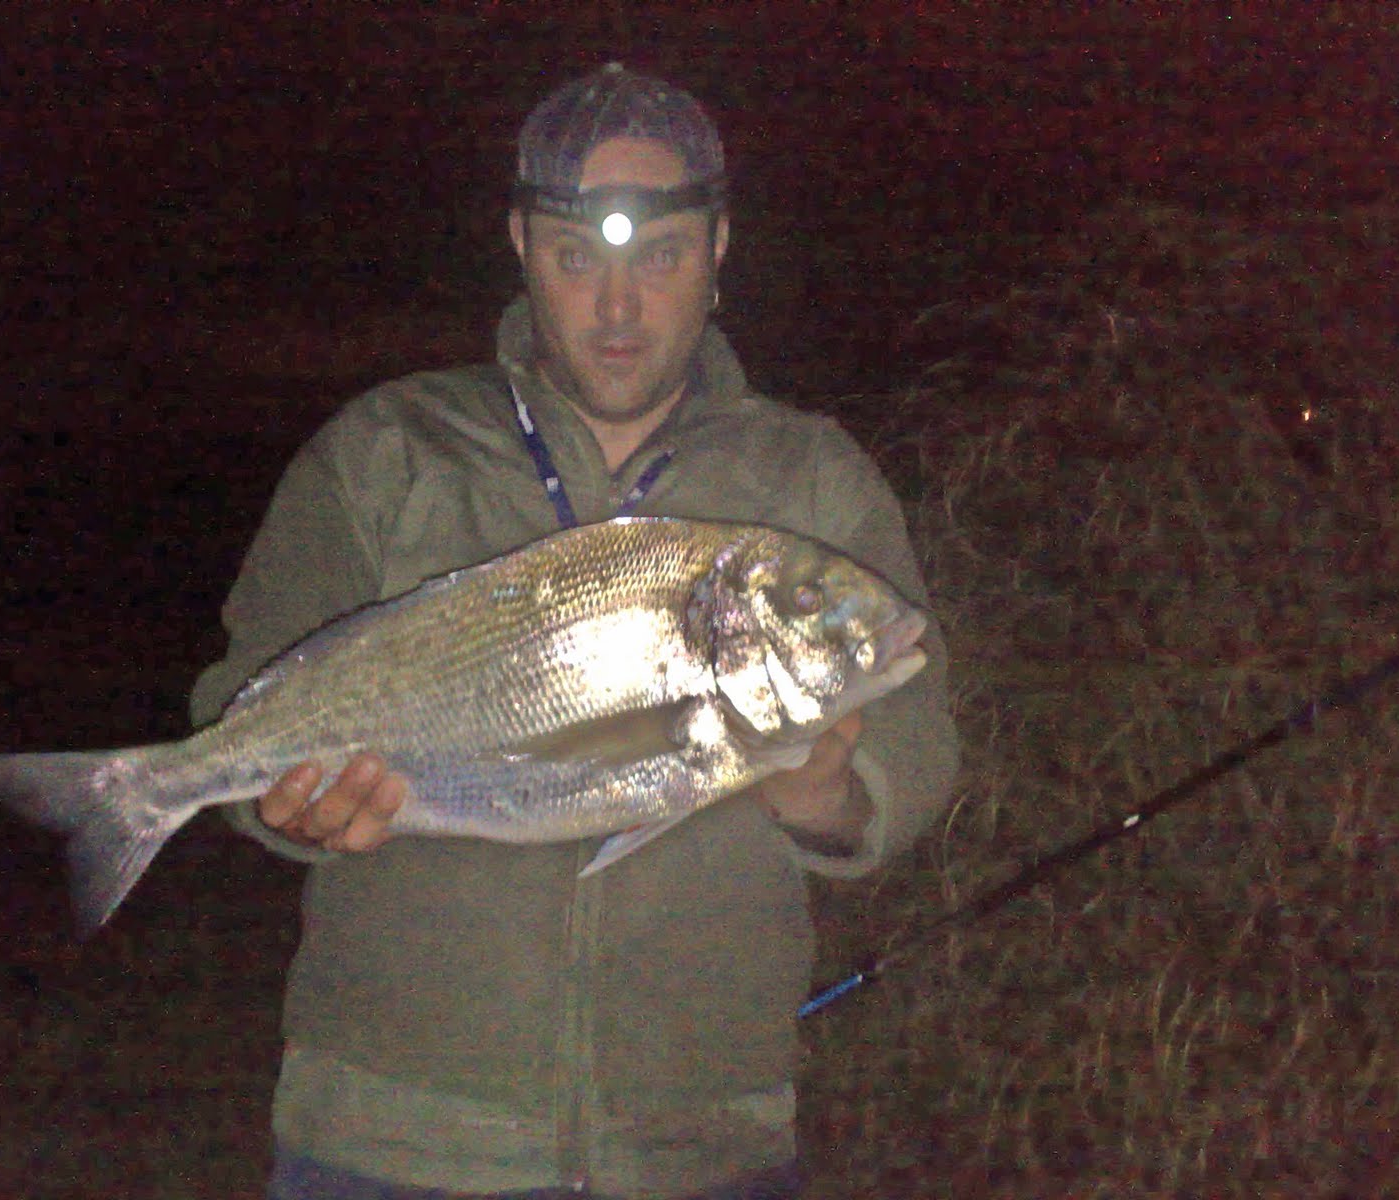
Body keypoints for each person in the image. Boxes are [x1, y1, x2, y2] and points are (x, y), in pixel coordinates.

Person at [190, 63, 958, 1200]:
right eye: (575, 256)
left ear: (721, 247)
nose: (617, 307)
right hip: (392, 1138)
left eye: (662, 256)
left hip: (701, 1144)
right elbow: (238, 704)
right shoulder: (389, 451)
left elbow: (921, 738)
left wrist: (836, 797)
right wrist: (284, 808)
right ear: (518, 243)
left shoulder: (811, 477)